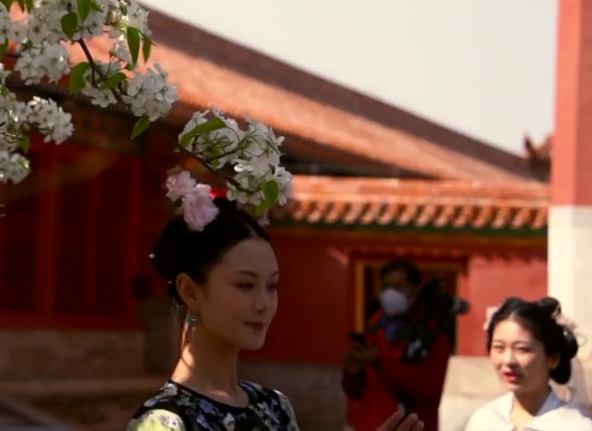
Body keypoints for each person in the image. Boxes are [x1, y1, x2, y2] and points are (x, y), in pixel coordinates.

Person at [128, 171, 424, 431]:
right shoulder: (165, 422)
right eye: (245, 285)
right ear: (190, 291)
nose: (263, 304)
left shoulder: (274, 407)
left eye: (272, 286)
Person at [343, 259, 452, 431]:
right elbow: (355, 392)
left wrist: (380, 360)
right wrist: (352, 371)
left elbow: (429, 389)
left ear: (415, 289)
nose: (391, 294)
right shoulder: (375, 327)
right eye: (387, 287)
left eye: (398, 287)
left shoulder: (432, 336)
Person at [463, 297, 592, 431]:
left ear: (553, 358)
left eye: (522, 349)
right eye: (499, 348)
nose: (508, 360)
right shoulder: (485, 420)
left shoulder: (574, 426)